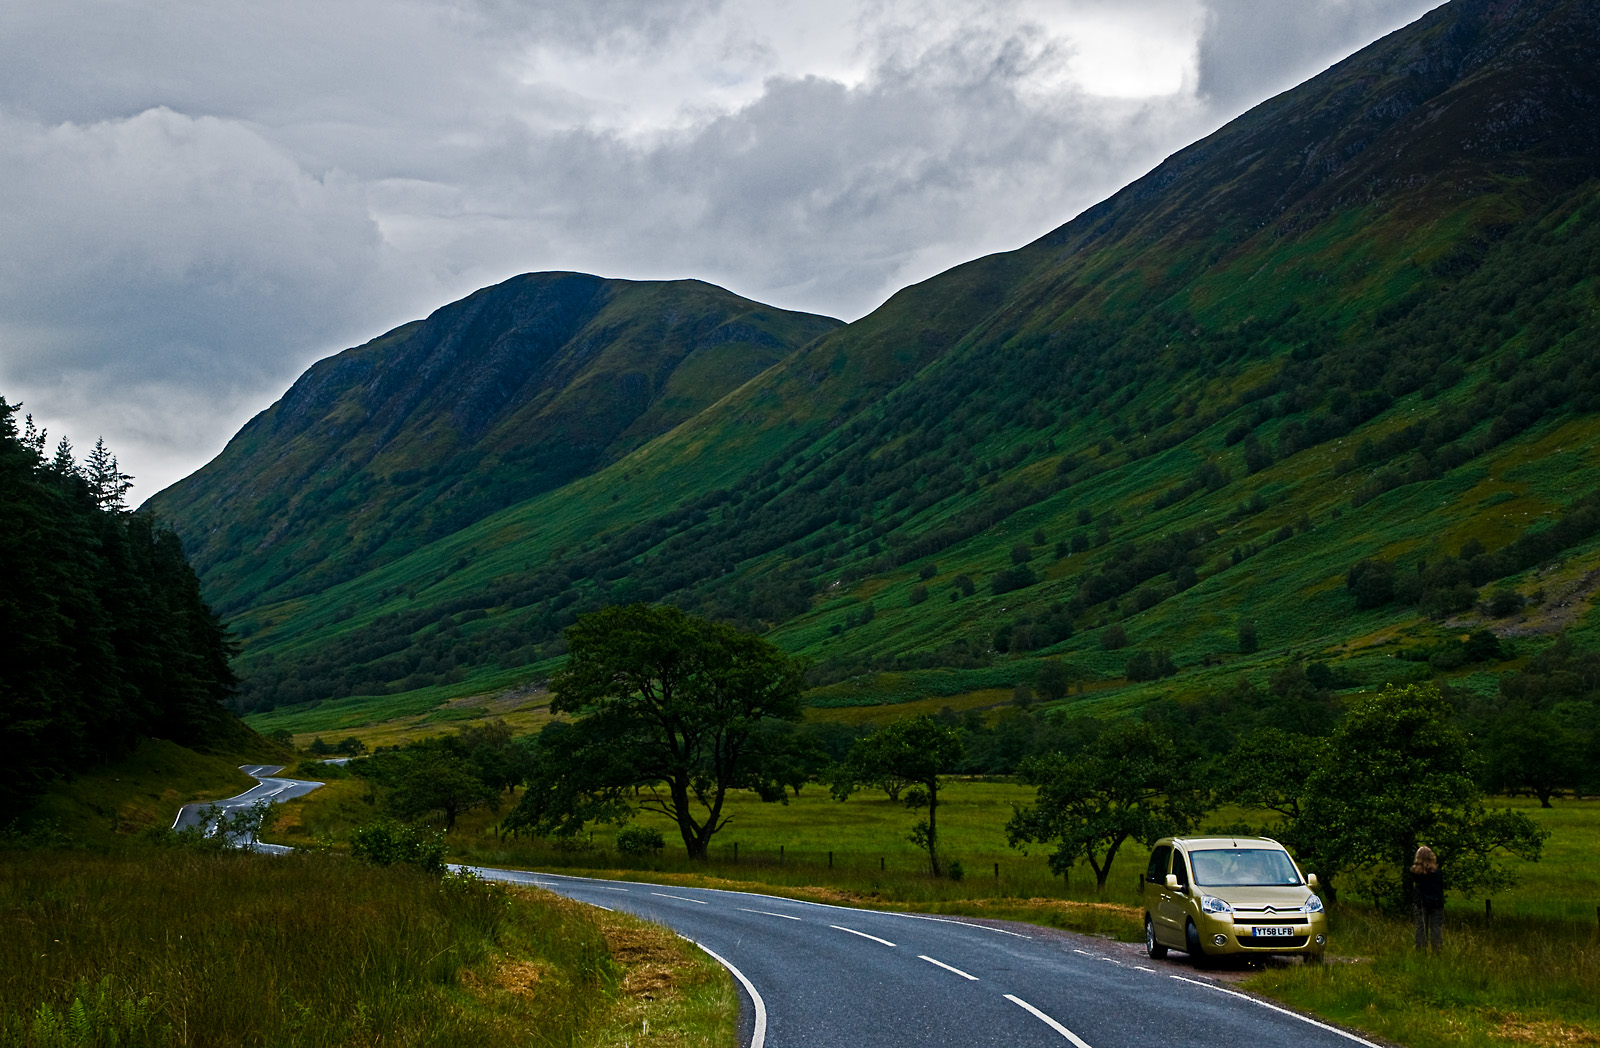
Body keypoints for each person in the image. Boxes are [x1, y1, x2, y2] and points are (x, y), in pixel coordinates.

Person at [1411, 845, 1444, 951]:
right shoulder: (1437, 872)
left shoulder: (1415, 872)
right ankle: (1437, 950)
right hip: (1436, 903)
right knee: (1436, 928)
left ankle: (1420, 949)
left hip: (1421, 903)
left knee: (1421, 927)